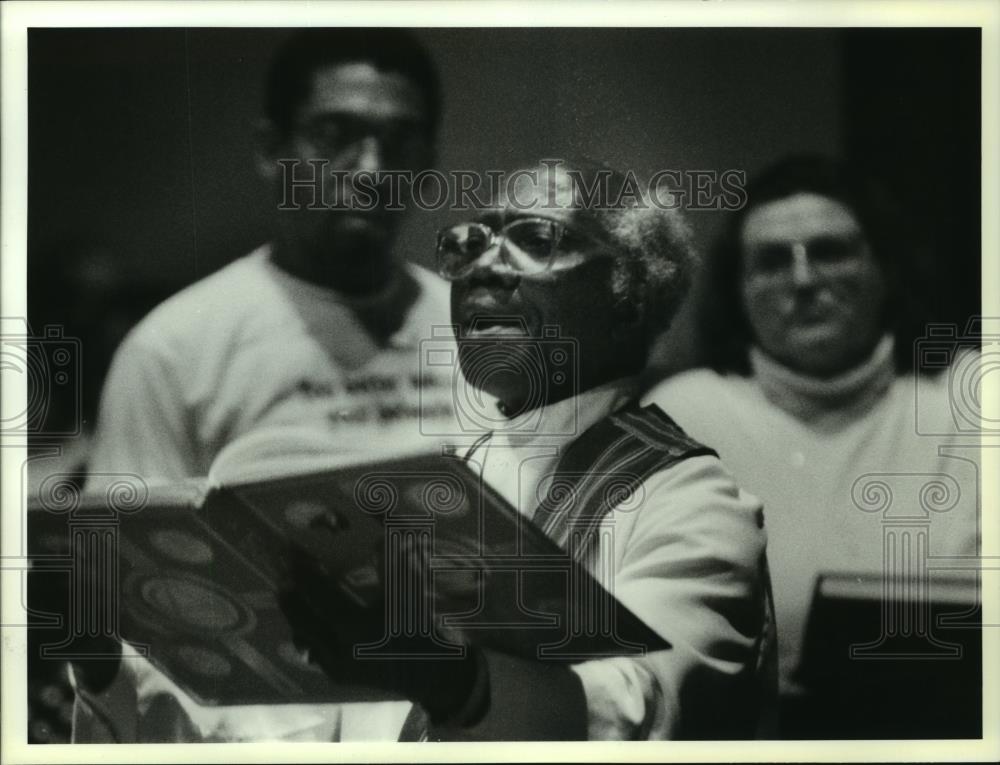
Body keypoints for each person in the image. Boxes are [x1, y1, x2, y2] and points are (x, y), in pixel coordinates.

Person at [282, 159, 777, 740]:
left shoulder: (695, 504)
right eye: (468, 244)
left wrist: (459, 685)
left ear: (630, 296)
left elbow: (643, 707)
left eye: (535, 239)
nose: (481, 268)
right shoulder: (437, 474)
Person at [71, 28, 459, 742]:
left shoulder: (471, 332)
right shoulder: (175, 347)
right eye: (334, 135)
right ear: (270, 147)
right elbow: (127, 606)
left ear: (429, 161)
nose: (370, 168)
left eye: (401, 141)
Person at [644, 155, 980, 737]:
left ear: (883, 269)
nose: (802, 280)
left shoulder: (966, 403)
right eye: (772, 261)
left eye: (830, 251)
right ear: (739, 290)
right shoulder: (684, 414)